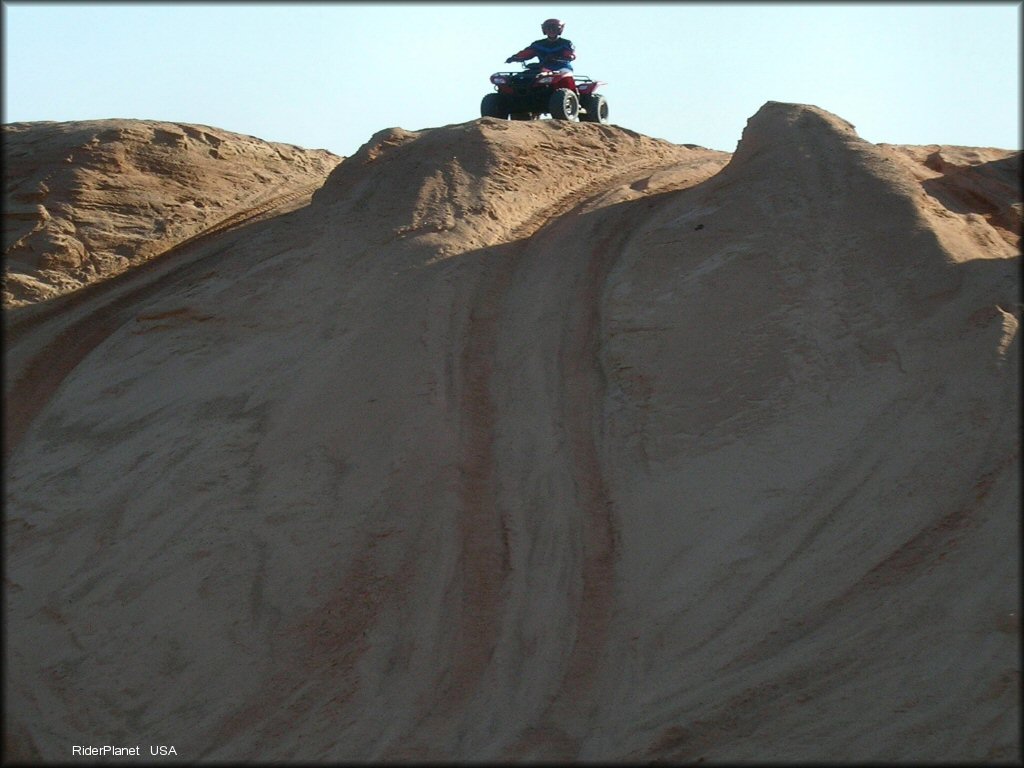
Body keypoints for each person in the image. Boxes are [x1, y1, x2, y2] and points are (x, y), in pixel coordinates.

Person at [505, 18, 575, 74]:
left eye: (554, 29)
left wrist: (562, 57)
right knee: (523, 77)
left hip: (561, 68)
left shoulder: (565, 43)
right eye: (548, 29)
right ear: (544, 30)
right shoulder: (538, 44)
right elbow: (527, 53)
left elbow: (570, 54)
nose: (551, 31)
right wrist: (514, 57)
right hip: (544, 68)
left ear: (559, 30)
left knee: (564, 77)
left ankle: (569, 91)